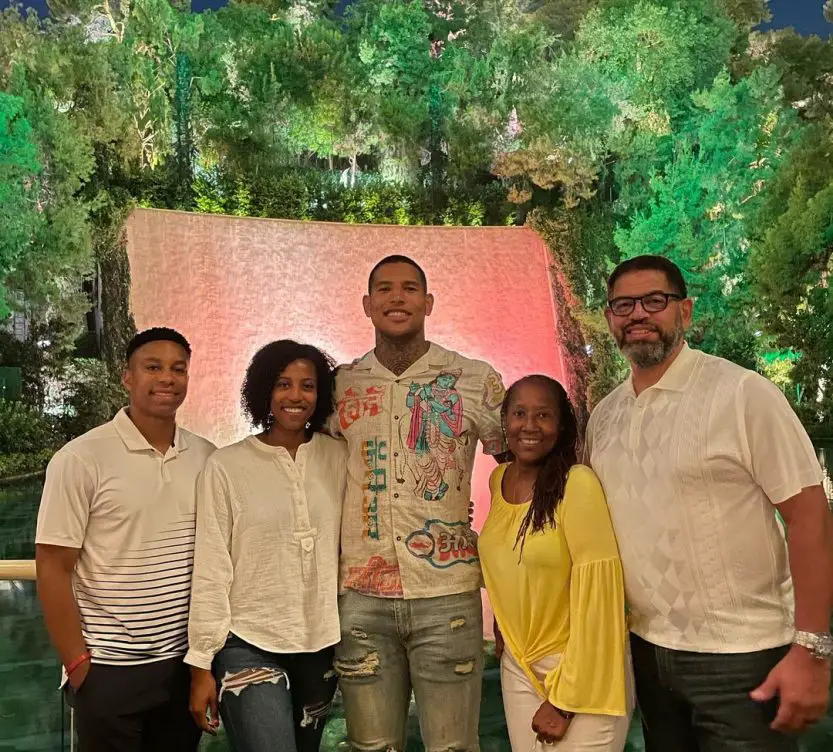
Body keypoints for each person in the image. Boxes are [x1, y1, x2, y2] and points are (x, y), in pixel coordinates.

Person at [585, 254, 833, 752]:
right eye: (623, 304)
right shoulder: (604, 417)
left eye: (655, 301)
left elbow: (810, 516)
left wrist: (812, 648)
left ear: (686, 312)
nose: (638, 314)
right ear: (610, 318)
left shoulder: (742, 394)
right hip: (648, 653)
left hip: (742, 656)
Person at [330, 255, 507, 752]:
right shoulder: (341, 386)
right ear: (367, 305)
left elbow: (517, 462)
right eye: (384, 289)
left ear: (428, 302)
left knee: (454, 747)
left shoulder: (473, 379)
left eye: (409, 288)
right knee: (372, 747)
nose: (397, 297)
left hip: (446, 592)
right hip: (361, 597)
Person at [35, 327, 215, 752]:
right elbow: (52, 565)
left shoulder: (207, 457)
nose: (167, 378)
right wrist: (79, 664)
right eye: (153, 367)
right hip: (108, 669)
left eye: (178, 369)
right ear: (127, 377)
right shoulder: (80, 458)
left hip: (181, 665)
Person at [186, 340, 346, 752]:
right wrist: (201, 662)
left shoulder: (340, 457)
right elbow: (211, 567)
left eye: (307, 386)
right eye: (283, 384)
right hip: (247, 641)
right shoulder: (226, 466)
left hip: (321, 641)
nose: (296, 396)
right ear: (263, 391)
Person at [479, 375, 633, 752]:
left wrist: (564, 702)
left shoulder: (576, 483)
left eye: (544, 415)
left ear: (562, 425)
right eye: (519, 413)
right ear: (505, 421)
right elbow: (513, 564)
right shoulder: (499, 480)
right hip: (519, 666)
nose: (529, 426)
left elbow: (601, 599)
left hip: (580, 666)